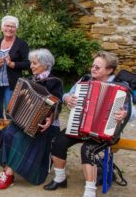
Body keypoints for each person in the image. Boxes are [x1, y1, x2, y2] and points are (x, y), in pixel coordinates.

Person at [43, 51, 132, 197]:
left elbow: (132, 111)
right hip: (81, 125)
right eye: (93, 66)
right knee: (57, 141)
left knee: (87, 149)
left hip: (107, 132)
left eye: (98, 67)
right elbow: (67, 94)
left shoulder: (120, 87)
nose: (93, 69)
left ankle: (90, 191)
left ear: (109, 70)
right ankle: (60, 178)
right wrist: (67, 99)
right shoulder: (85, 80)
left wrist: (124, 114)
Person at [0, 49, 63, 189]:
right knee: (7, 133)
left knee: (20, 138)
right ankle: (9, 165)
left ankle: (9, 173)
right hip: (22, 120)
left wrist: (50, 117)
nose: (31, 66)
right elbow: (18, 98)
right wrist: (13, 108)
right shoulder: (29, 80)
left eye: (34, 63)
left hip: (44, 125)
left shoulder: (55, 82)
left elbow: (58, 103)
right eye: (31, 63)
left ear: (45, 65)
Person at [0, 15, 30, 150]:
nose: (9, 29)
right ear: (2, 28)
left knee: (11, 114)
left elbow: (28, 63)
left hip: (12, 85)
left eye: (12, 26)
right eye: (7, 26)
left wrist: (13, 64)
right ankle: (2, 141)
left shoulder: (21, 44)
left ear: (16, 29)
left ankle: (12, 144)